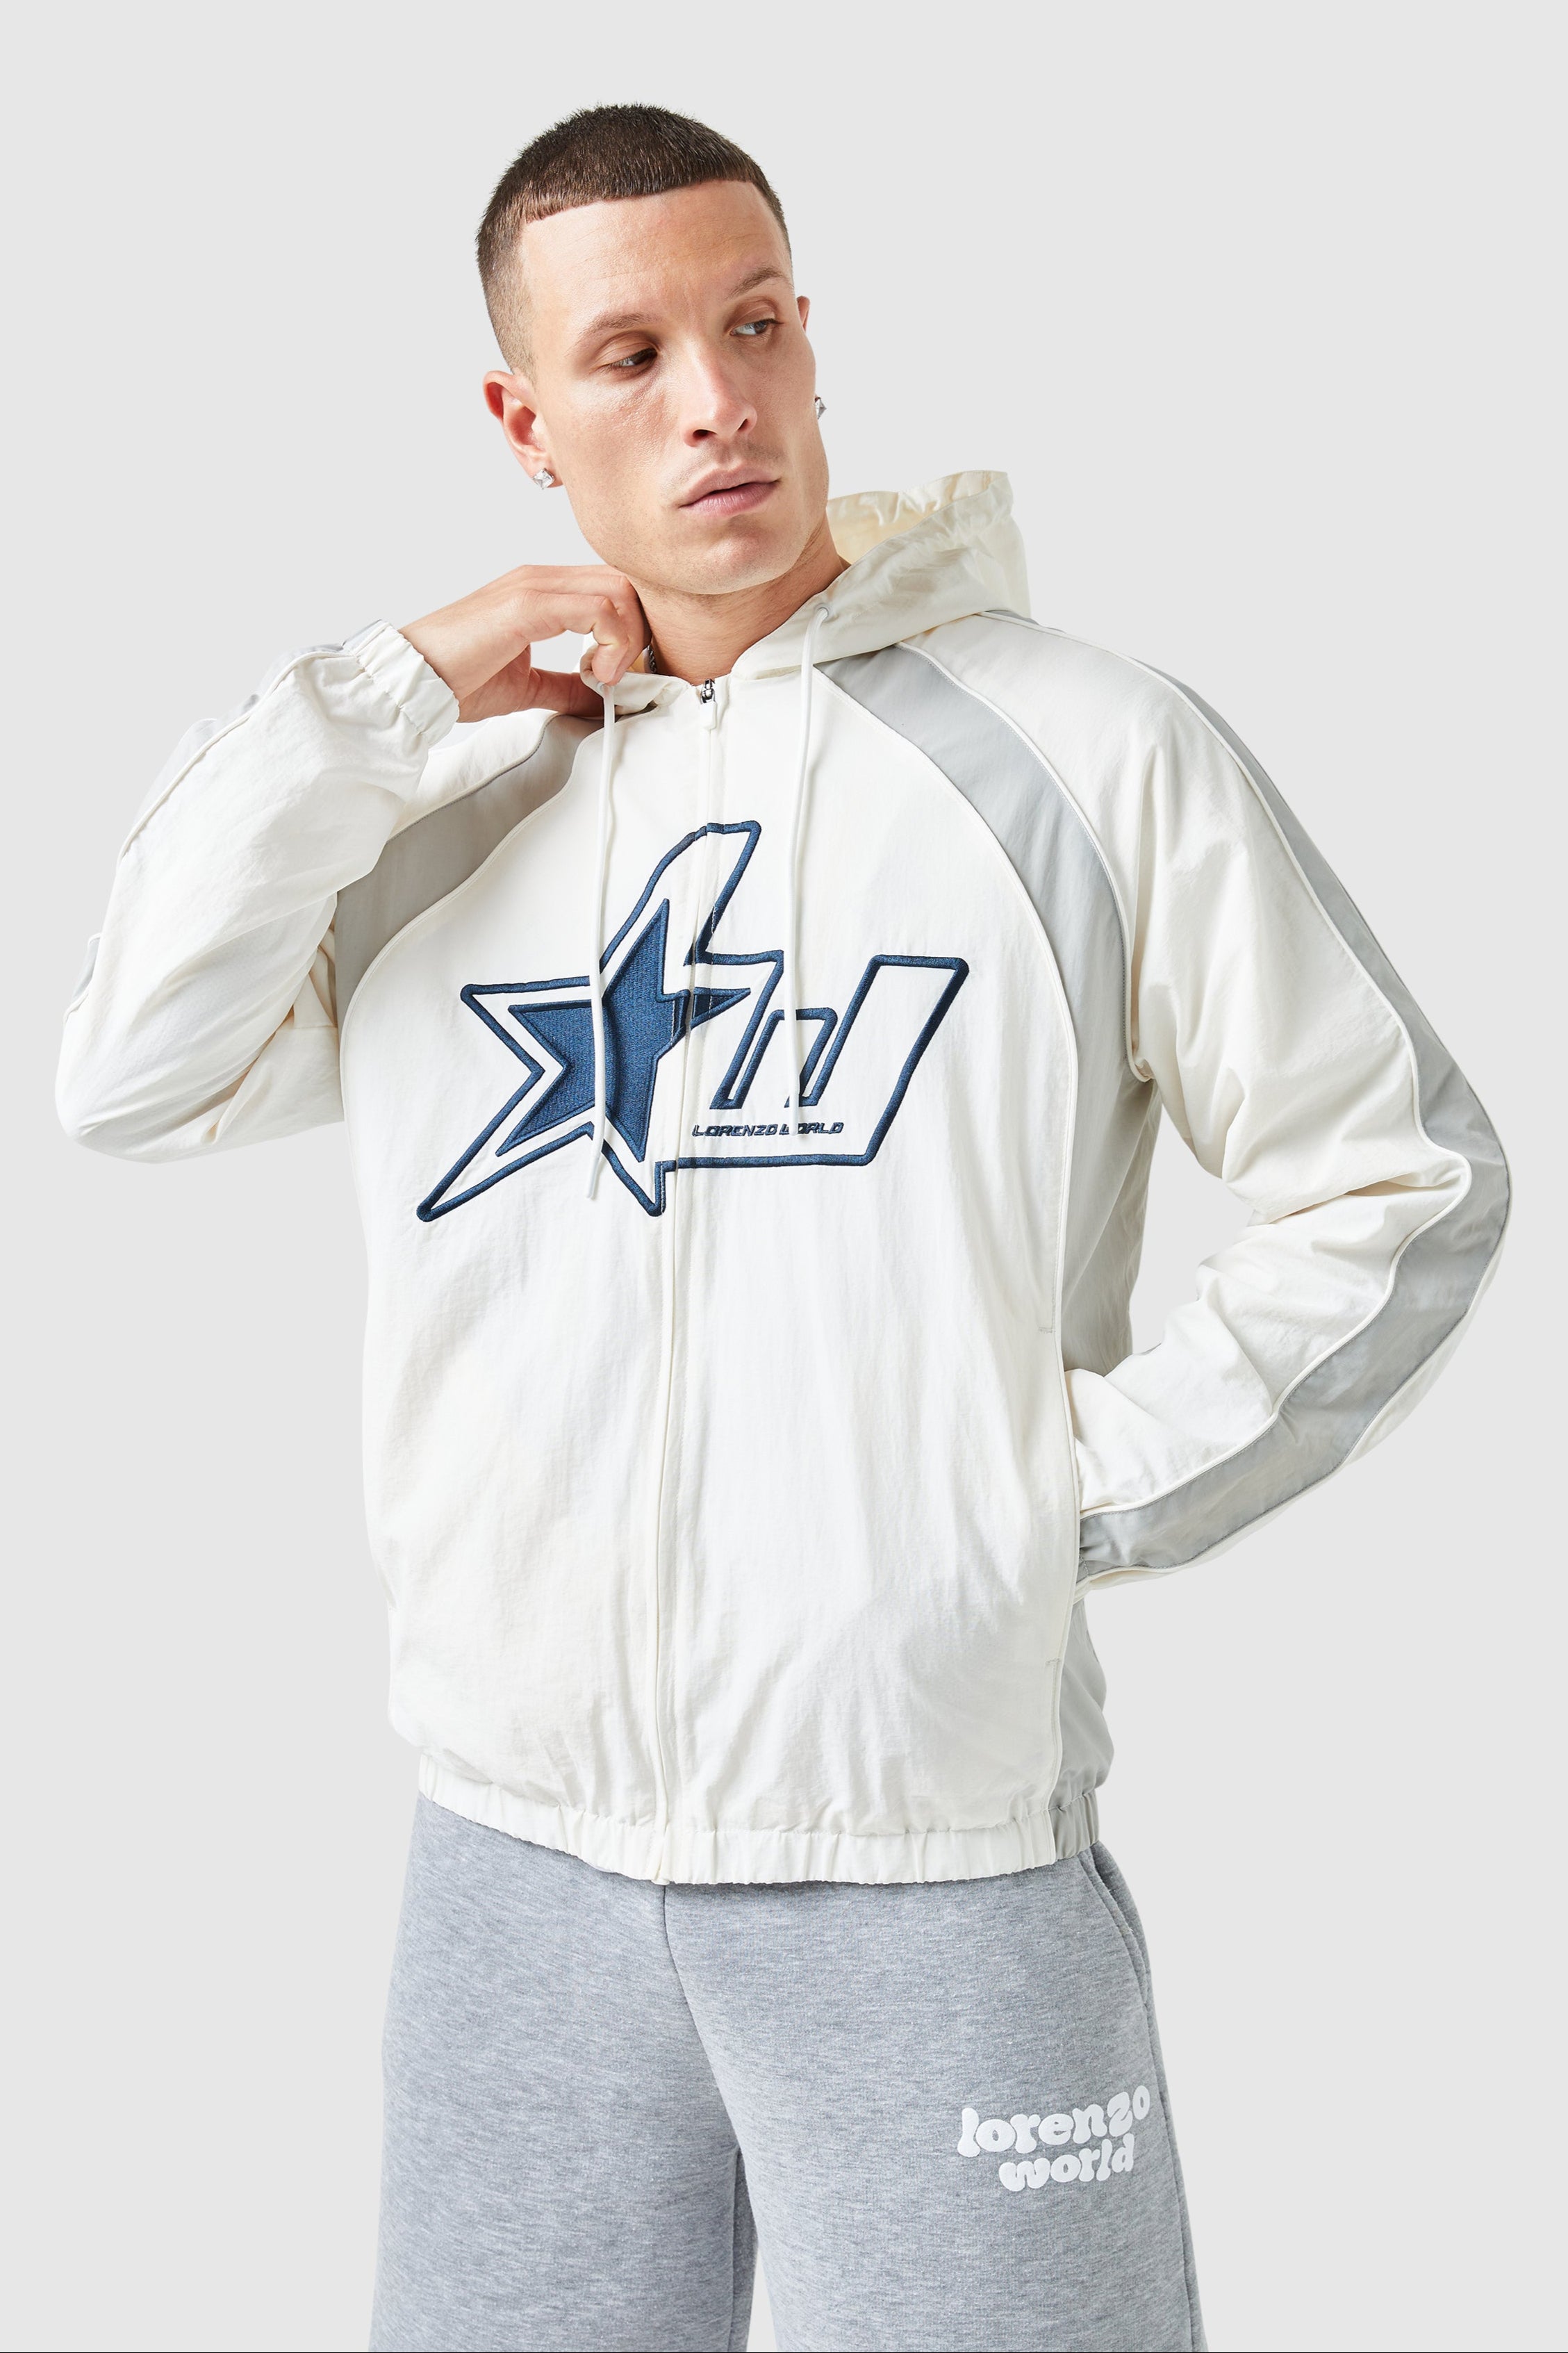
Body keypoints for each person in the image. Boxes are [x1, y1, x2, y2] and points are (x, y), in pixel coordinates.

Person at [56, 103, 1507, 2353]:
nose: (713, 402)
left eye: (749, 327)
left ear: (811, 339)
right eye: (627, 355)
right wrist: (390, 692)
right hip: (512, 1868)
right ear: (521, 420)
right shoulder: (441, 812)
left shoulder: (1084, 753)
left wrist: (1046, 1502)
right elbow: (131, 1072)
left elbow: (1400, 1179)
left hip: (928, 1863)